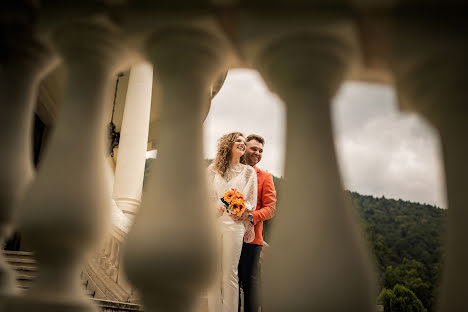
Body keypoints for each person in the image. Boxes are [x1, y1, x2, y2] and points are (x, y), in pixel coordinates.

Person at [207, 132, 258, 312]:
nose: (242, 144)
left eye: (244, 142)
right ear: (228, 144)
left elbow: (251, 200)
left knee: (230, 273)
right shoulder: (212, 170)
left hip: (234, 225)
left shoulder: (248, 172)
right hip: (213, 224)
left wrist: (240, 208)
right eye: (238, 140)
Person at [236, 134, 277, 312]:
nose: (258, 153)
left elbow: (270, 208)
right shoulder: (231, 171)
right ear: (244, 148)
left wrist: (250, 216)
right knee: (230, 281)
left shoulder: (266, 177)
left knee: (250, 282)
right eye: (254, 148)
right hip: (228, 233)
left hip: (252, 241)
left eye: (261, 151)